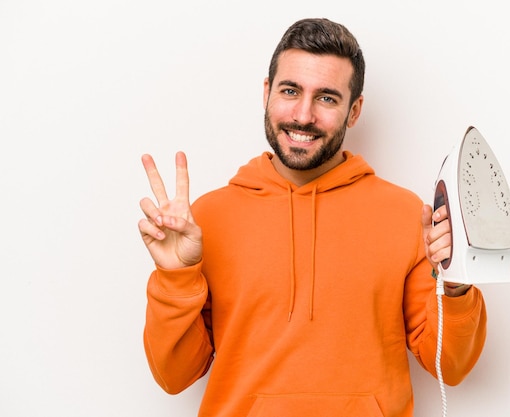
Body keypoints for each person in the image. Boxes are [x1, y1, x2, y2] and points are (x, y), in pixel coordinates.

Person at [138, 17, 487, 417]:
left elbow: (452, 366)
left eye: (326, 98)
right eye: (290, 91)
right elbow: (173, 377)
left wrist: (456, 285)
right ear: (267, 93)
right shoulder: (207, 220)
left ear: (354, 111)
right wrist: (174, 279)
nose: (303, 116)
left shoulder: (405, 213)